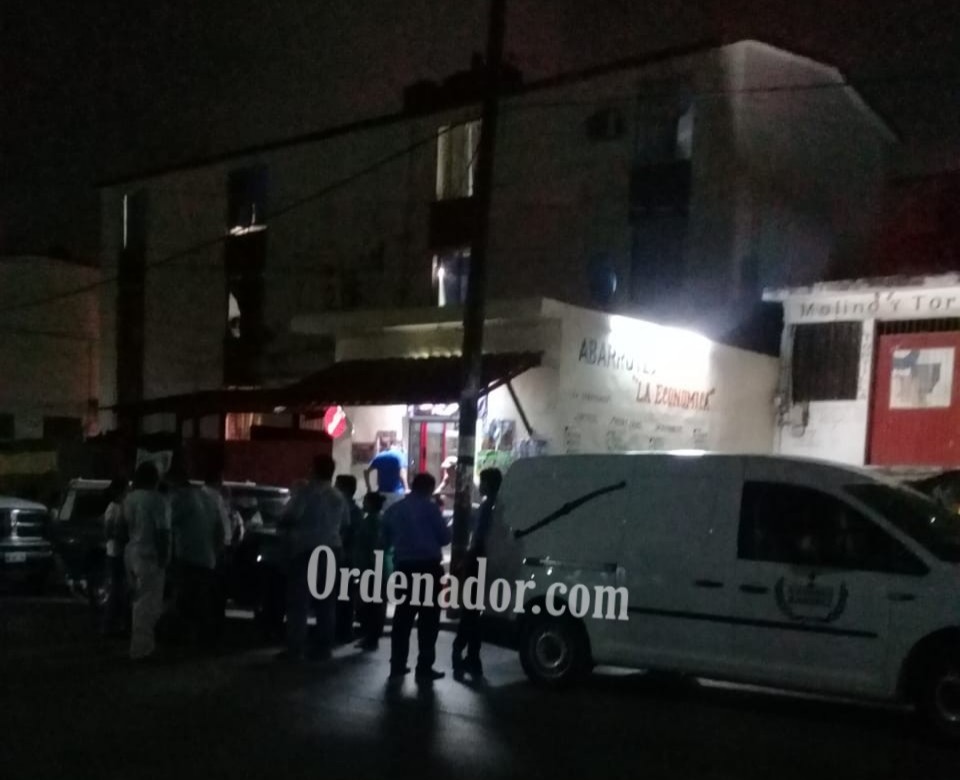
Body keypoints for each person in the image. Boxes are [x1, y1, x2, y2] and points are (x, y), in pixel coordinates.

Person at [278, 454, 349, 662]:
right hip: (332, 549)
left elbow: (290, 516)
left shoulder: (306, 493)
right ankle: (323, 647)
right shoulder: (338, 496)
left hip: (306, 549)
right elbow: (345, 524)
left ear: (314, 470)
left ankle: (295, 647)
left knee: (299, 602)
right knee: (326, 602)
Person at [382, 471, 451, 683]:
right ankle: (424, 666)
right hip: (429, 569)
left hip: (405, 569)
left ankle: (397, 664)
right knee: (429, 620)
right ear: (429, 488)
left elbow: (385, 537)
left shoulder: (395, 509)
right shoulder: (431, 509)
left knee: (402, 619)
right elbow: (444, 538)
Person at [452, 467, 502, 679]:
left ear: (488, 484)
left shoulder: (487, 507)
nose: (479, 486)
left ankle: (460, 650)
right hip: (492, 563)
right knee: (475, 612)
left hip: (478, 561)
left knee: (470, 610)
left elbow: (479, 538)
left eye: (482, 482)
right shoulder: (501, 506)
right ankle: (472, 657)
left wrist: (466, 560)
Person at [169, 463, 225, 648]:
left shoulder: (180, 499)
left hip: (188, 557)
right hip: (207, 558)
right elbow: (220, 530)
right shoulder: (207, 498)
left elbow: (166, 523)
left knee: (186, 599)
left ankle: (188, 638)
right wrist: (216, 552)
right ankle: (205, 638)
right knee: (203, 599)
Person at [123, 462, 171, 660]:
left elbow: (123, 527)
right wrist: (164, 558)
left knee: (138, 600)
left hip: (132, 553)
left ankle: (140, 644)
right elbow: (162, 532)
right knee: (148, 603)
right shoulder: (157, 500)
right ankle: (142, 648)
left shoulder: (129, 499)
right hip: (149, 555)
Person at [354, 491, 388, 651]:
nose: (363, 504)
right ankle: (372, 636)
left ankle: (371, 637)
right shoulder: (380, 520)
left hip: (370, 567)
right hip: (378, 567)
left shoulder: (371, 522)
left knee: (370, 604)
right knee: (376, 603)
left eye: (365, 501)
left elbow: (371, 545)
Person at [334, 474, 363, 643]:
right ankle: (342, 630)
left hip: (346, 558)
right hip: (346, 557)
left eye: (338, 486)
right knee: (343, 596)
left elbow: (349, 535)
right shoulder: (352, 510)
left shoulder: (350, 511)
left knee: (343, 596)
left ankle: (344, 630)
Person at [101, 477, 129, 636]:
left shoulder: (121, 506)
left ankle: (115, 623)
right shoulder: (113, 508)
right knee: (117, 590)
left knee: (120, 590)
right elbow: (108, 532)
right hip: (115, 553)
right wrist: (120, 535)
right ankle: (110, 624)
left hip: (119, 552)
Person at [364, 440, 407, 507]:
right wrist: (406, 488)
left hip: (382, 492)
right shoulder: (400, 456)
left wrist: (368, 487)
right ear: (399, 446)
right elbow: (401, 474)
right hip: (397, 493)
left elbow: (366, 472)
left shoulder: (379, 456)